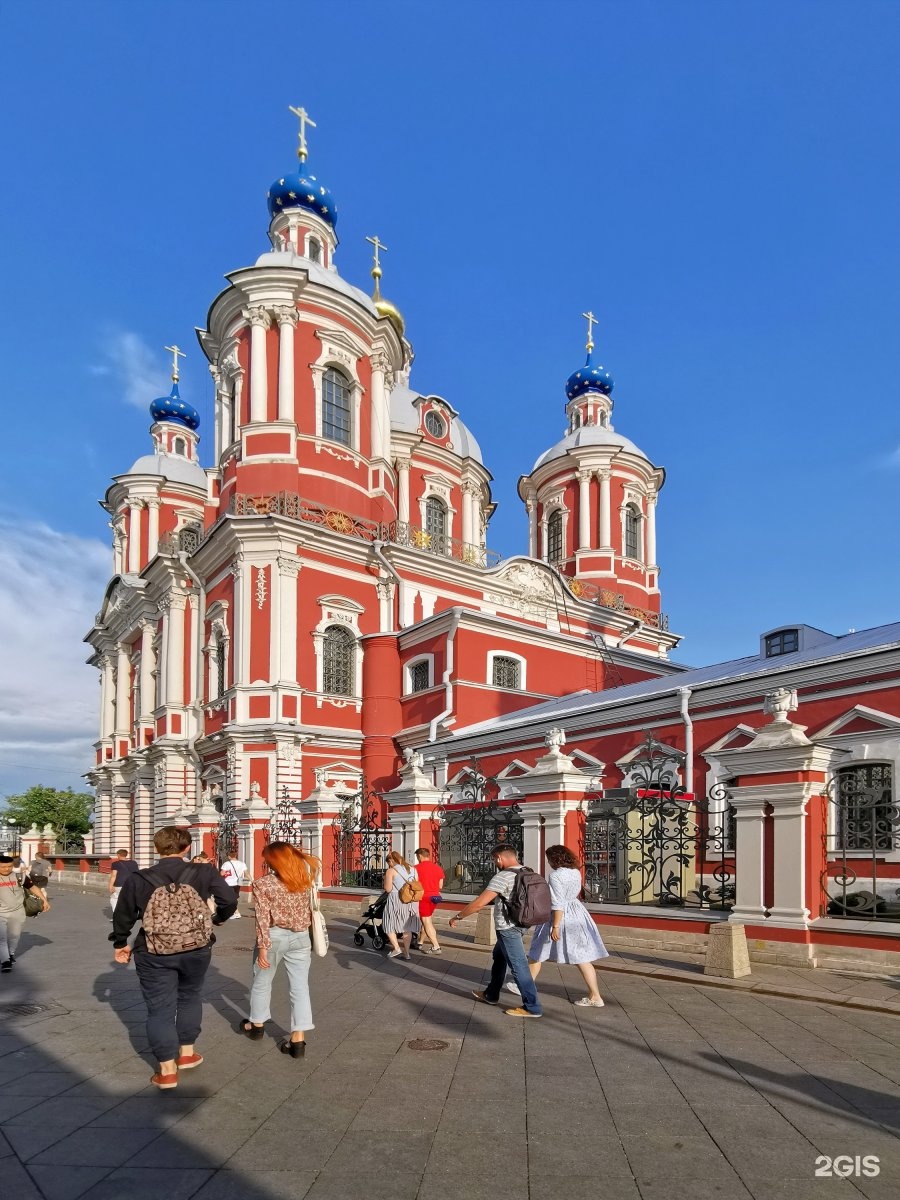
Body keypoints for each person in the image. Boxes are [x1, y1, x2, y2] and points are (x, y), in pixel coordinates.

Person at [111, 825, 236, 1089]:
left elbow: (123, 915)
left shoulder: (139, 878)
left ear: (156, 849)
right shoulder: (204, 871)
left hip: (154, 950)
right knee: (190, 996)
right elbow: (228, 899)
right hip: (197, 947)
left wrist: (121, 943)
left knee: (159, 1008)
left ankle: (167, 1071)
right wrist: (218, 919)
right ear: (187, 847)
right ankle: (188, 1054)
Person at [236, 841, 321, 1057]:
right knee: (300, 987)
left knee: (262, 982)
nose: (265, 862)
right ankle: (298, 1040)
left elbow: (262, 918)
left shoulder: (263, 884)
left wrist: (263, 947)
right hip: (301, 937)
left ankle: (256, 1026)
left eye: (267, 859)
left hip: (274, 937)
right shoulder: (304, 880)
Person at [448, 843, 542, 1018]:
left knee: (518, 966)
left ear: (499, 858)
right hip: (522, 924)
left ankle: (532, 1007)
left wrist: (458, 917)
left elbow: (479, 903)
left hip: (507, 928)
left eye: (494, 859)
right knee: (499, 957)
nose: (494, 862)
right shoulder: (529, 871)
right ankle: (491, 994)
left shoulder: (503, 876)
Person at [508, 844, 608, 1008]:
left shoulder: (555, 875)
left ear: (555, 859)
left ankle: (523, 985)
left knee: (537, 950)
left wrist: (555, 926)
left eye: (549, 859)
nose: (548, 862)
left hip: (559, 916)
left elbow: (558, 903)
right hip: (577, 912)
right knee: (582, 957)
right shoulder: (575, 872)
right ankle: (595, 995)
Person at [0, 852, 50, 971]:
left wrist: (44, 900)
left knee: (14, 936)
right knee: (1, 938)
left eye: (9, 866)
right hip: (0, 913)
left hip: (18, 912)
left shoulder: (20, 877)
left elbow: (33, 888)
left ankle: (10, 955)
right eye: (3, 867)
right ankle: (5, 961)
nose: (7, 869)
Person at [381, 850, 420, 960]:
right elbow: (416, 884)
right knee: (407, 928)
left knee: (388, 924)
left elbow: (388, 889)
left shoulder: (391, 871)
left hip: (396, 900)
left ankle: (397, 948)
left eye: (389, 863)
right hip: (411, 901)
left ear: (391, 860)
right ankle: (407, 953)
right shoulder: (413, 869)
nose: (389, 865)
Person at [413, 847, 444, 953]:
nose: (417, 859)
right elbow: (440, 886)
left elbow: (413, 884)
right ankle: (420, 942)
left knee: (426, 921)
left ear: (420, 856)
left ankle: (436, 946)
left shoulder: (415, 868)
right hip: (435, 897)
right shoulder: (438, 868)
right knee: (427, 920)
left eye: (417, 857)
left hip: (423, 897)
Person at [108, 848, 139, 914]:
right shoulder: (133, 863)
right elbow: (136, 874)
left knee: (114, 899)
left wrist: (110, 886)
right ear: (126, 855)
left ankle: (117, 915)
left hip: (119, 885)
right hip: (131, 884)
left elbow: (113, 875)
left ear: (118, 855)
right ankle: (129, 914)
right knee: (128, 899)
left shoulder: (115, 864)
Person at [219, 853, 247, 918]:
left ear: (229, 856)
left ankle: (236, 913)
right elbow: (246, 873)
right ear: (235, 856)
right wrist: (251, 879)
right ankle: (233, 912)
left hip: (229, 883)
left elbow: (222, 873)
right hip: (238, 883)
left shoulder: (226, 864)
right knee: (233, 898)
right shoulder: (242, 864)